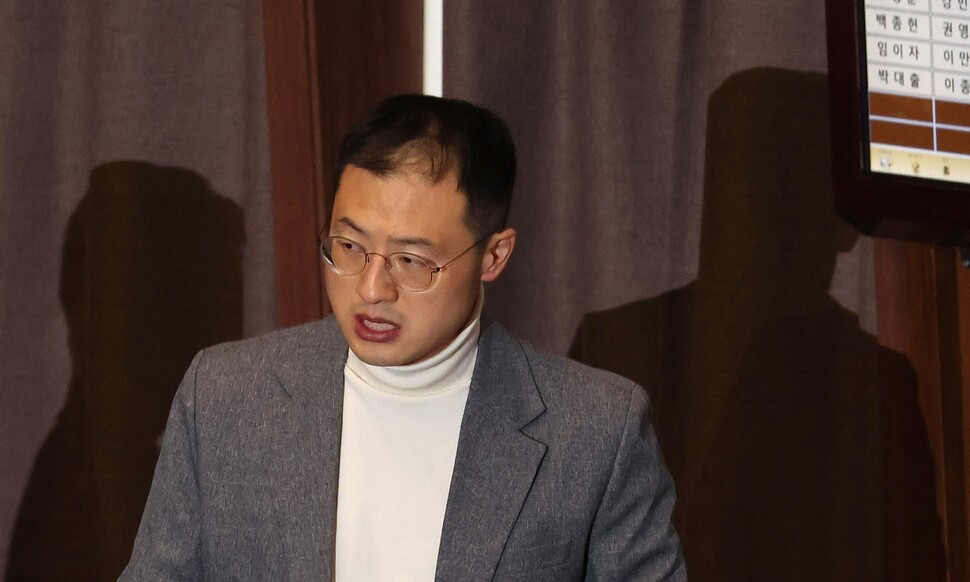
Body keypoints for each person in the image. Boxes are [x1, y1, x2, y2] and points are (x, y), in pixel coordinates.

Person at [120, 94, 685, 581]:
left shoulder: (595, 430)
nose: (371, 289)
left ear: (493, 255)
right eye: (348, 247)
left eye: (411, 261)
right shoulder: (225, 397)